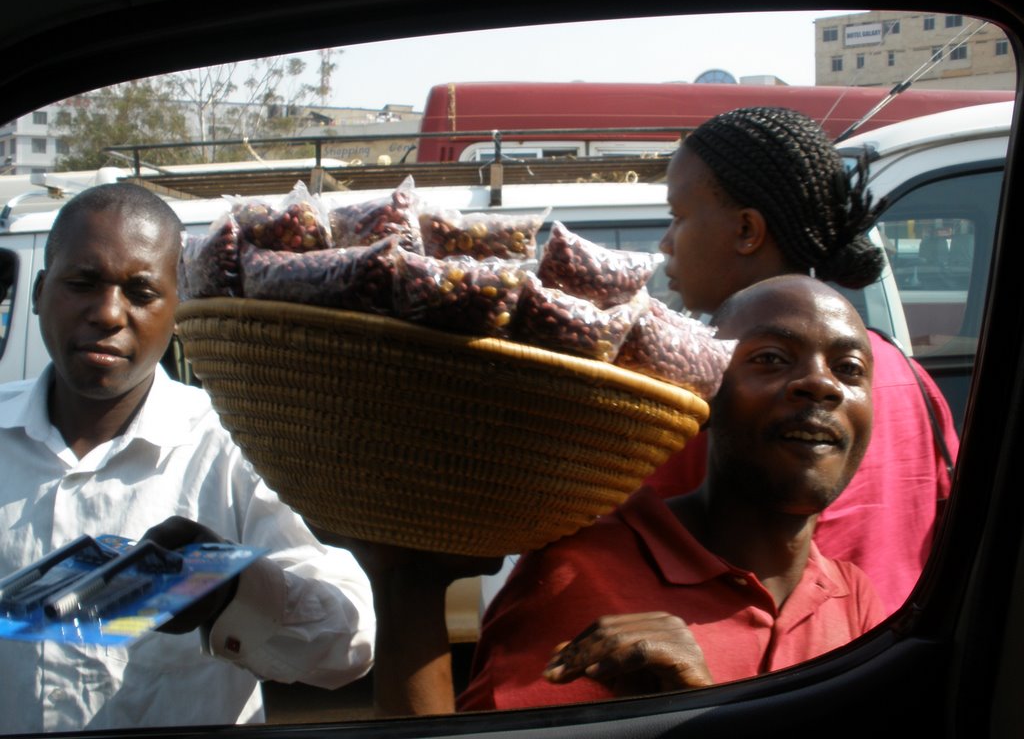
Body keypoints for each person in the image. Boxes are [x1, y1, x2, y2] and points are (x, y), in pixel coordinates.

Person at [352, 275, 884, 714]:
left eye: (849, 369)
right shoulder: (581, 572)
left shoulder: (855, 603)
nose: (821, 384)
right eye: (771, 358)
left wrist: (699, 712)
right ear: (705, 398)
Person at [0, 183, 375, 734]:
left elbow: (350, 642)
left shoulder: (238, 445)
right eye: (82, 283)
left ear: (177, 309)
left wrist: (234, 591)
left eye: (141, 292)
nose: (108, 313)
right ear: (37, 292)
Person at [645, 106, 959, 616]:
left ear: (747, 230)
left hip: (760, 686)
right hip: (894, 671)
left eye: (678, 217)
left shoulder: (699, 386)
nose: (665, 243)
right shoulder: (908, 375)